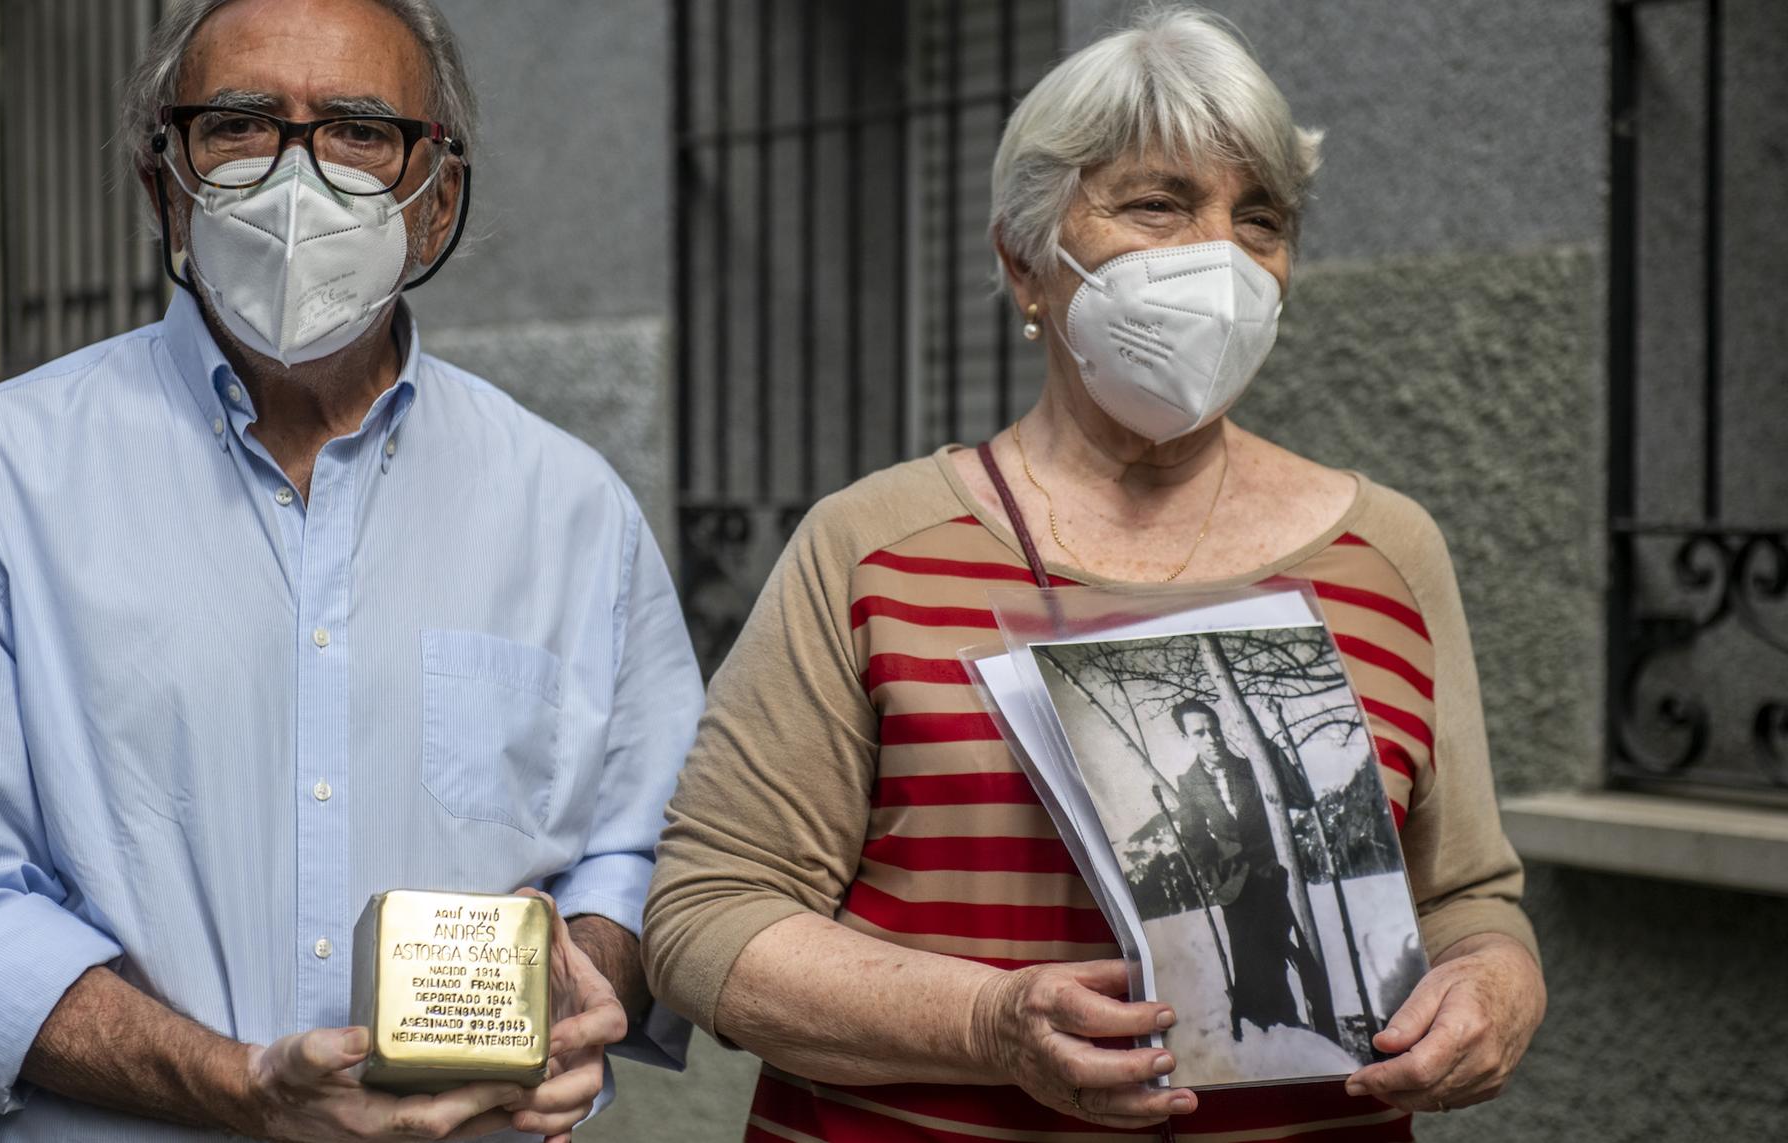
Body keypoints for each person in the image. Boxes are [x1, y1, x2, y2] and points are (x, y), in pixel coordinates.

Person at [642, 8, 1545, 1141]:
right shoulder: (871, 545)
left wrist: (1496, 988)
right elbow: (704, 918)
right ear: (1024, 260)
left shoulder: (1388, 554)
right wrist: (985, 1023)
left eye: (1256, 218)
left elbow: (1465, 899)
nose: (1215, 259)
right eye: (1157, 204)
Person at [0, 1, 700, 1139]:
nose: (296, 178)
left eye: (357, 129)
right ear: (166, 186)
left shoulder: (570, 506)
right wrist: (236, 1087)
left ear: (436, 194)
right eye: (240, 125)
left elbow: (647, 848)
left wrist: (586, 975)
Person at [1168, 699, 1321, 1038]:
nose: (1212, 738)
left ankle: (1296, 1028)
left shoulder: (1252, 767)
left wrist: (1265, 745)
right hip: (1233, 887)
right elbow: (1194, 838)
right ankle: (1261, 1031)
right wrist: (1216, 878)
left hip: (1273, 878)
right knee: (1248, 960)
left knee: (1285, 954)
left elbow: (1301, 798)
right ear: (1186, 739)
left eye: (1215, 729)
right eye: (1200, 733)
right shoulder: (1189, 783)